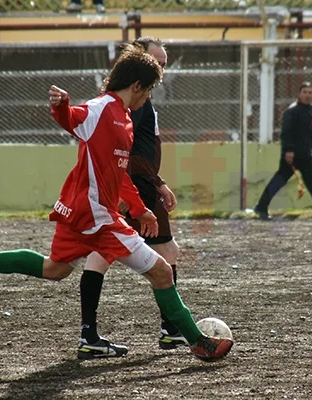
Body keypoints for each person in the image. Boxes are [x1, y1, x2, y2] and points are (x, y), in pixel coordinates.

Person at [0, 45, 233, 362]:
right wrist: (62, 105)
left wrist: (139, 209)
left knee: (54, 268)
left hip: (80, 212)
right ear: (137, 86)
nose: (149, 95)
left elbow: (117, 173)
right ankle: (198, 342)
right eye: (150, 88)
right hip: (97, 216)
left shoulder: (124, 119)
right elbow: (74, 117)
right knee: (163, 272)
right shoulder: (102, 109)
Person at [121, 37, 186, 350]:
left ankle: (88, 333)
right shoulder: (135, 102)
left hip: (139, 184)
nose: (162, 69)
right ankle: (171, 328)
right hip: (140, 186)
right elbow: (129, 152)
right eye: (157, 63)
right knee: (168, 253)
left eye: (164, 64)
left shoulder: (142, 99)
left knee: (88, 259)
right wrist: (157, 182)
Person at [253, 82, 312, 220]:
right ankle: (261, 207)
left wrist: (310, 147)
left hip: (305, 154)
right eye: (305, 92)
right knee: (279, 181)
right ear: (299, 94)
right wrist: (288, 150)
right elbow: (286, 133)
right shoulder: (292, 111)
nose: (308, 95)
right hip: (291, 155)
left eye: (310, 93)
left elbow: (310, 133)